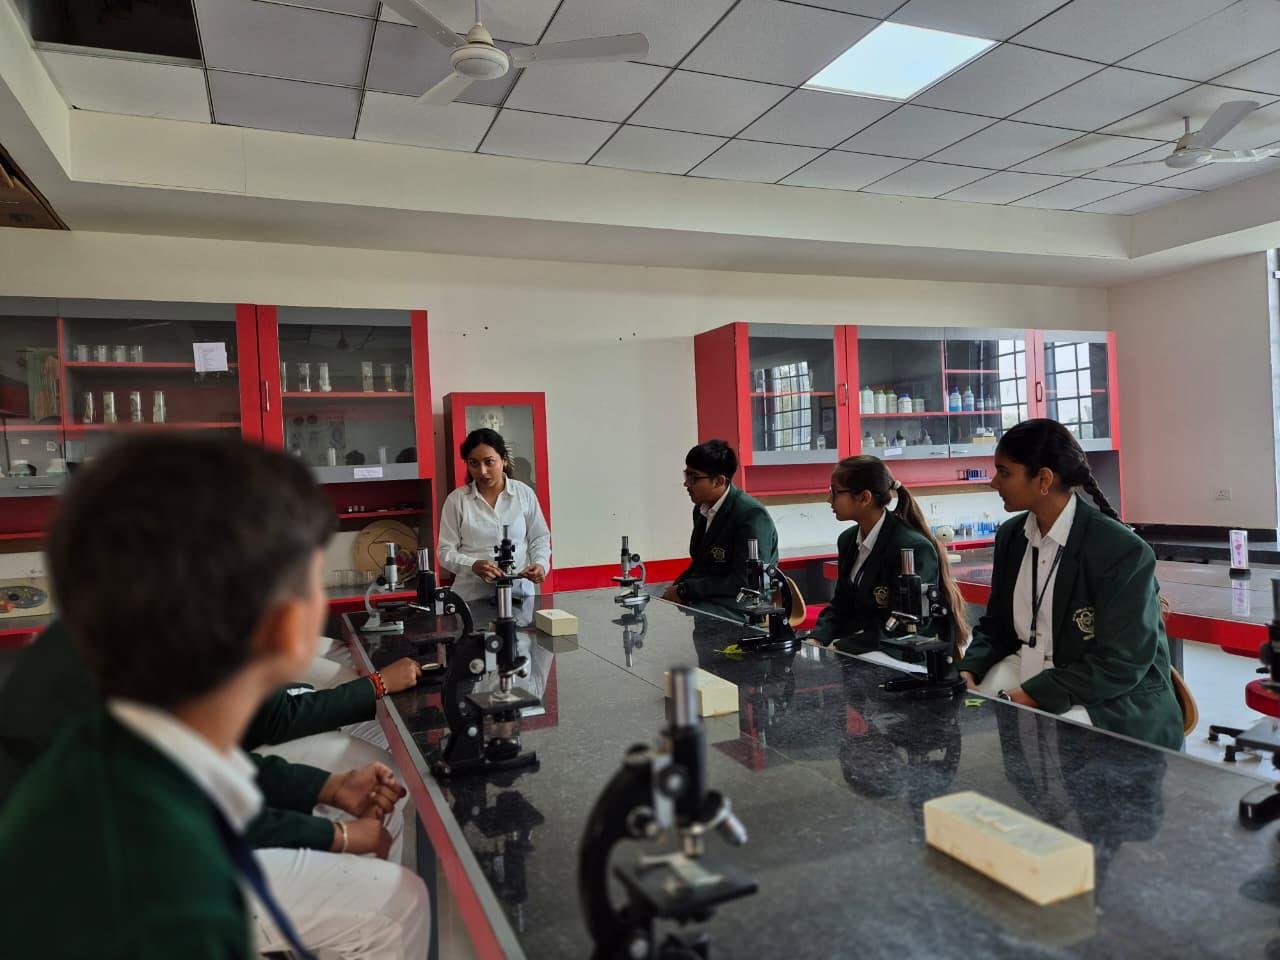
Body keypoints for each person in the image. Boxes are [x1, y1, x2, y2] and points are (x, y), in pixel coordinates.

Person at [0, 435, 429, 959]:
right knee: (395, 907)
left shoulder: (119, 707)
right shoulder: (169, 891)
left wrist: (328, 787)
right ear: (289, 626)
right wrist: (336, 836)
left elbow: (210, 773)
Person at [956, 419, 1183, 750]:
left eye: (1004, 472)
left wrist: (1031, 694)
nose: (994, 482)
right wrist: (970, 668)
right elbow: (997, 627)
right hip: (1032, 672)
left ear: (1044, 479)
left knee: (1059, 736)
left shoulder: (1120, 550)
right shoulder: (1011, 537)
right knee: (963, 712)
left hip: (1108, 694)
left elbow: (1122, 663)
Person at [811, 456, 969, 657]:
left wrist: (845, 646)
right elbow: (841, 603)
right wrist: (818, 638)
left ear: (864, 498)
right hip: (864, 645)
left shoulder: (912, 547)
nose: (828, 499)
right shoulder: (847, 540)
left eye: (835, 492)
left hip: (905, 651)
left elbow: (906, 625)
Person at [661, 439, 778, 622]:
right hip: (711, 597)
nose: (686, 484)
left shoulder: (751, 516)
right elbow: (700, 564)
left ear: (719, 481)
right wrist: (674, 590)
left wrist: (686, 590)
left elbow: (745, 582)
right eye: (686, 475)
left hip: (743, 603)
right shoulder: (702, 510)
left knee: (687, 619)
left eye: (693, 477)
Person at [438, 427, 551, 603]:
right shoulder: (457, 500)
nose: (482, 471)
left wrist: (540, 564)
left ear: (504, 460)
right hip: (472, 598)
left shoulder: (524, 494)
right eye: (474, 463)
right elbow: (445, 552)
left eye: (489, 462)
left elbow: (539, 538)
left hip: (519, 596)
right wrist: (473, 566)